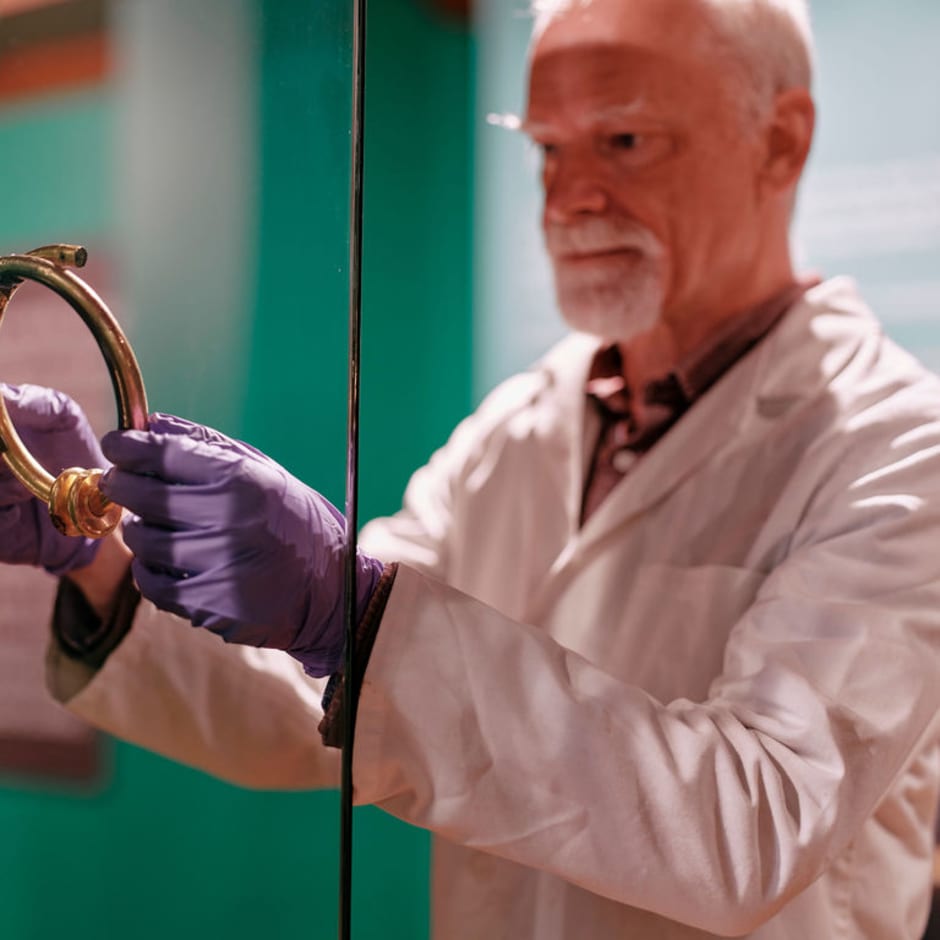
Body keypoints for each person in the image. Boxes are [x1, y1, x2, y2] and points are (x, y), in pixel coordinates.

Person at [2, 0, 940, 936]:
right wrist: (102, 557)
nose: (569, 197)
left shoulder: (898, 449)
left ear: (781, 142)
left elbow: (758, 824)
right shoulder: (519, 429)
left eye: (623, 140)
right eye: (546, 150)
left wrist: (356, 616)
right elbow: (317, 710)